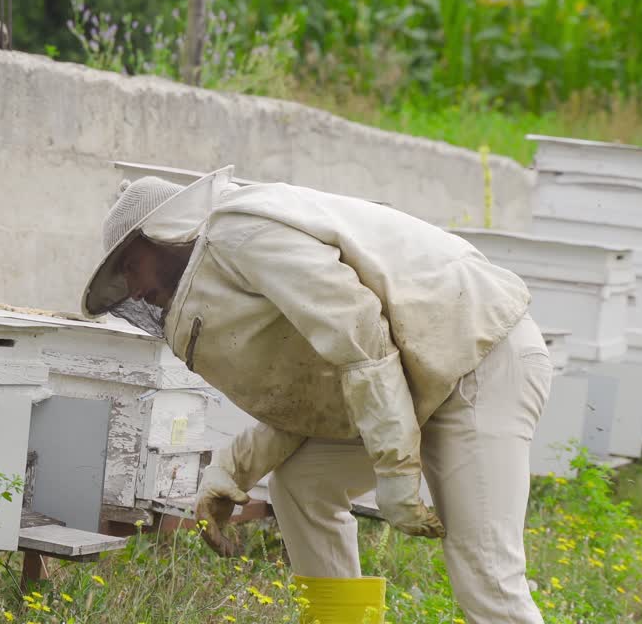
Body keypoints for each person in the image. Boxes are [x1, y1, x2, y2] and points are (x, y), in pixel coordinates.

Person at [81, 167, 552, 623]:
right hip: (416, 377)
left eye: (131, 267)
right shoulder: (231, 258)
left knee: (487, 577)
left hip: (479, 359)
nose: (134, 290)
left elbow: (361, 337)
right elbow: (318, 395)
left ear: (162, 236)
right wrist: (231, 469)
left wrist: (395, 469)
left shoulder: (243, 234)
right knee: (304, 484)